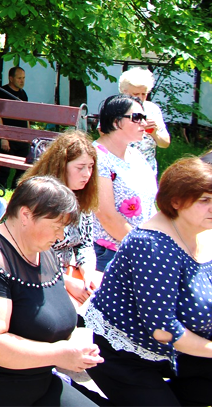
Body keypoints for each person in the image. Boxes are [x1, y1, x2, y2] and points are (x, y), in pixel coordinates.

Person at [0, 176, 102, 407]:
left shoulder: (44, 252)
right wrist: (59, 354)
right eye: (57, 227)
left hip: (37, 382)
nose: (60, 236)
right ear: (26, 215)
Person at [84, 156, 212, 407]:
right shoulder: (152, 245)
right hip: (126, 356)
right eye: (204, 200)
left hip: (177, 354)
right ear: (175, 201)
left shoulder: (202, 232)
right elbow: (163, 330)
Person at [24, 131, 101, 306]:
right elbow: (29, 257)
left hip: (68, 274)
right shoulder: (39, 199)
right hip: (38, 278)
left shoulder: (82, 198)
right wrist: (66, 282)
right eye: (80, 167)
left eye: (90, 167)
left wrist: (88, 273)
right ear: (61, 166)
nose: (87, 174)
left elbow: (85, 244)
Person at [92, 94, 157, 271]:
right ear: (116, 122)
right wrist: (146, 249)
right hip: (111, 256)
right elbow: (107, 216)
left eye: (144, 117)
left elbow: (150, 205)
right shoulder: (96, 158)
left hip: (140, 250)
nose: (144, 123)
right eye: (137, 117)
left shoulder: (136, 155)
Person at [118, 67, 171, 175]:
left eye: (144, 94)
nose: (140, 98)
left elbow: (165, 144)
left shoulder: (152, 109)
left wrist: (154, 133)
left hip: (147, 171)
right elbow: (103, 136)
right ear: (124, 92)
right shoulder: (115, 108)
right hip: (120, 169)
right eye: (136, 94)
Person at [0, 66, 30, 190]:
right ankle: (0, 188)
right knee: (5, 167)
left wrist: (28, 134)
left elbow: (26, 116)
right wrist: (3, 138)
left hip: (21, 136)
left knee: (24, 166)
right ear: (11, 78)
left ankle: (16, 189)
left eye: (23, 78)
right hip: (7, 136)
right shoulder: (1, 92)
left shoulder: (23, 94)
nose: (22, 81)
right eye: (19, 78)